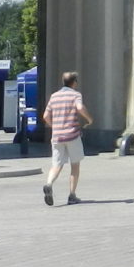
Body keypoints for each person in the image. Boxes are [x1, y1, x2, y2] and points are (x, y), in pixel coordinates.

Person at [40, 71, 88, 206]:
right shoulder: (76, 95)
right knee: (75, 165)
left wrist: (54, 126)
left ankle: (49, 184)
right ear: (74, 83)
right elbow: (80, 107)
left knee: (56, 164)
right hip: (72, 135)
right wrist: (89, 119)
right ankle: (72, 195)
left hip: (57, 136)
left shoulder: (54, 96)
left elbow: (45, 116)